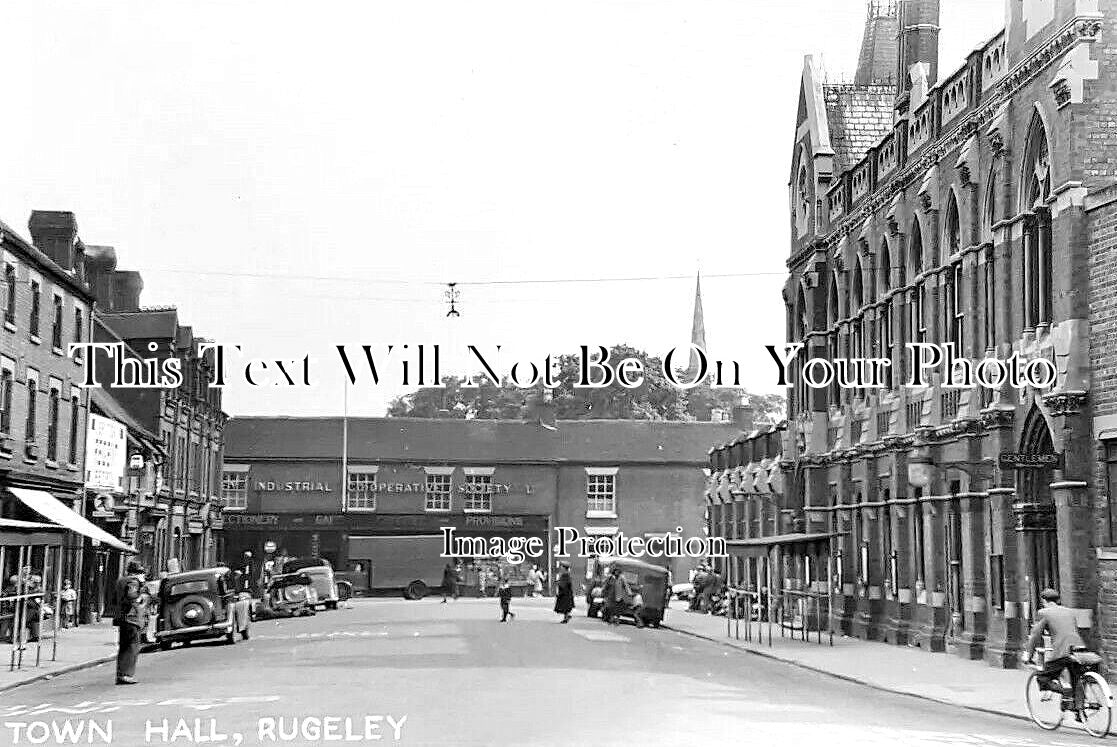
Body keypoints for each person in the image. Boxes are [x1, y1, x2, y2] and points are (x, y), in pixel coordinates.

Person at [1025, 588, 1088, 704]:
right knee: (1076, 677)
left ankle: (1065, 692)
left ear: (1044, 601)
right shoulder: (1069, 611)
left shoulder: (1044, 613)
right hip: (1079, 649)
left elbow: (1035, 635)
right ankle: (1079, 708)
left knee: (1043, 678)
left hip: (1062, 652)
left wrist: (1029, 656)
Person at [112, 560, 150, 685]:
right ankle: (126, 674)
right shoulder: (134, 582)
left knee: (123, 647)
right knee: (132, 646)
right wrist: (141, 598)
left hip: (121, 617)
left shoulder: (120, 581)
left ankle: (120, 673)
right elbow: (132, 596)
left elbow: (113, 599)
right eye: (142, 572)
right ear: (138, 572)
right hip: (131, 618)